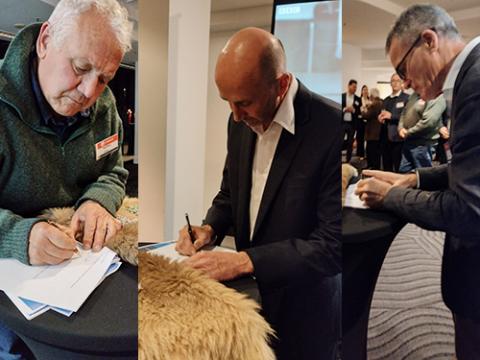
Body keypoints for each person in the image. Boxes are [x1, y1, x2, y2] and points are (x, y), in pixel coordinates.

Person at [175, 27, 341, 359]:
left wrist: (244, 260)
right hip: (249, 301)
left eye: (244, 103)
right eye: (227, 103)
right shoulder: (238, 120)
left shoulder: (331, 127)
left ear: (280, 85)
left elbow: (332, 244)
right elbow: (230, 193)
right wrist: (210, 228)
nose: (235, 115)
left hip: (305, 308)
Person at [0, 0, 132, 357]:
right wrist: (17, 236)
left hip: (78, 276)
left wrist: (97, 200)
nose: (90, 92)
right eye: (81, 67)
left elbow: (114, 170)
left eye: (104, 78)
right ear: (45, 41)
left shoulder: (103, 108)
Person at [356, 4, 480, 358]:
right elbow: (471, 167)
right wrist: (414, 179)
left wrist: (389, 197)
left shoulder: (475, 82)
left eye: (401, 69)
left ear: (429, 41)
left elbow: (469, 210)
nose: (405, 83)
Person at [397, 91, 445, 172]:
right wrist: (400, 127)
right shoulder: (414, 95)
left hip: (423, 144)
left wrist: (408, 132)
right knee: (404, 172)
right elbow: (404, 112)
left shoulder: (436, 96)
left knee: (423, 177)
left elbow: (428, 122)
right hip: (409, 141)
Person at [378, 74, 409, 172]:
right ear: (390, 83)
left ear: (402, 83)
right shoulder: (386, 100)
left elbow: (408, 118)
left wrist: (392, 116)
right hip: (384, 138)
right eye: (393, 81)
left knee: (398, 167)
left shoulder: (406, 98)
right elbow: (383, 114)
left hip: (398, 138)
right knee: (386, 167)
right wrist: (380, 117)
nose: (395, 83)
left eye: (398, 80)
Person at [362, 88, 383, 169]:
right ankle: (374, 166)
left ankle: (372, 167)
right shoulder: (381, 103)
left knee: (371, 150)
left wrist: (363, 110)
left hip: (372, 132)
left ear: (372, 96)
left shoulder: (374, 104)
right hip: (378, 131)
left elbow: (366, 115)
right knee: (375, 151)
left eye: (370, 95)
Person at [342, 79, 361, 162]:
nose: (355, 89)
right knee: (339, 141)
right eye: (353, 87)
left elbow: (359, 112)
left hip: (352, 124)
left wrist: (353, 110)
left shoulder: (357, 99)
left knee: (350, 142)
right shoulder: (341, 96)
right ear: (349, 86)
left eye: (356, 87)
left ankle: (348, 160)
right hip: (342, 123)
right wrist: (344, 109)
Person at [356, 84, 369, 159]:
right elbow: (357, 110)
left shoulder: (369, 100)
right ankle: (360, 154)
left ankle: (367, 154)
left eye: (366, 90)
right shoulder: (358, 99)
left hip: (368, 122)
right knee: (360, 138)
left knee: (367, 139)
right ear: (361, 91)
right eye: (364, 90)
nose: (365, 91)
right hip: (360, 121)